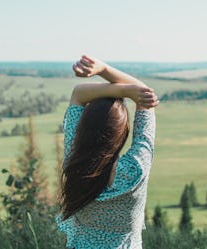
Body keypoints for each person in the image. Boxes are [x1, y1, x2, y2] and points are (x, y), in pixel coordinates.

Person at [56, 55, 159, 249]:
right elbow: (144, 95)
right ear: (123, 133)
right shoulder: (135, 170)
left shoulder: (75, 163)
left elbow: (78, 93)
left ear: (84, 128)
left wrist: (123, 91)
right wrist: (105, 70)